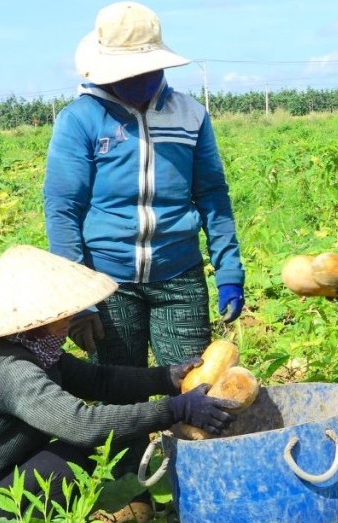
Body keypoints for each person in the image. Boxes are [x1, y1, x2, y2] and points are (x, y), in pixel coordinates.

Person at [0, 245, 238, 523]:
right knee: (73, 457)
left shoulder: (36, 352)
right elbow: (84, 426)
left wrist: (166, 377)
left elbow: (100, 381)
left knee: (82, 449)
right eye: (61, 312)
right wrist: (175, 409)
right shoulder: (10, 368)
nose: (68, 319)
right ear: (36, 319)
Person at [43, 1, 245, 372]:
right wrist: (78, 300)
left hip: (179, 276)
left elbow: (213, 196)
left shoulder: (190, 115)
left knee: (193, 390)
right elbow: (63, 209)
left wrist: (229, 272)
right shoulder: (81, 119)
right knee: (120, 396)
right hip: (106, 282)